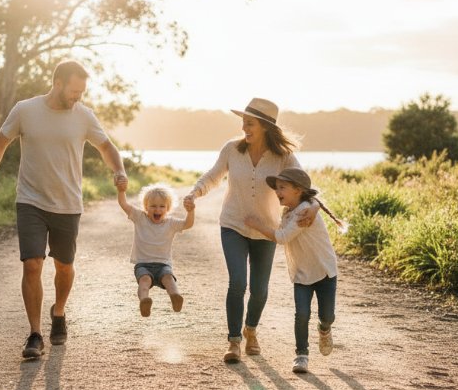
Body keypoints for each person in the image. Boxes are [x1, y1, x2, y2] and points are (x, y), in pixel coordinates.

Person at [0, 60, 128, 360]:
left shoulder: (84, 116)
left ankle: (58, 311)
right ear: (57, 83)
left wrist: (118, 170)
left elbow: (107, 148)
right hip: (30, 200)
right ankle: (34, 334)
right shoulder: (25, 110)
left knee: (64, 266)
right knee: (32, 263)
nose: (78, 97)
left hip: (68, 204)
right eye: (74, 91)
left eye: (82, 92)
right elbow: (0, 143)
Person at [182, 98, 318, 364]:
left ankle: (251, 330)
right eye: (243, 122)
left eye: (250, 123)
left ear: (266, 126)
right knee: (237, 282)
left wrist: (312, 206)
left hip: (266, 230)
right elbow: (213, 175)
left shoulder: (284, 157)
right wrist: (194, 192)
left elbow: (305, 186)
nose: (244, 127)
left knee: (260, 290)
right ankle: (234, 341)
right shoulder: (232, 149)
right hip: (232, 224)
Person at [244, 168, 343, 374]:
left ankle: (324, 329)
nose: (277, 191)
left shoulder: (304, 210)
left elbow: (281, 237)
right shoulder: (291, 211)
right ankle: (302, 355)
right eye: (277, 188)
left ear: (298, 190)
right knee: (301, 314)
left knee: (327, 316)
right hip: (301, 273)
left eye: (282, 188)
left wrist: (257, 225)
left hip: (324, 271)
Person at [116, 182, 194, 317]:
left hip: (163, 264)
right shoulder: (140, 217)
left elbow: (188, 224)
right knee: (144, 280)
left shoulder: (171, 223)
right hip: (143, 264)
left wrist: (190, 212)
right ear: (146, 207)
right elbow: (124, 204)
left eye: (162, 206)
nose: (157, 209)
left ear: (168, 208)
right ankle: (144, 301)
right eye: (153, 206)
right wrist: (121, 190)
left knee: (168, 278)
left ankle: (175, 296)